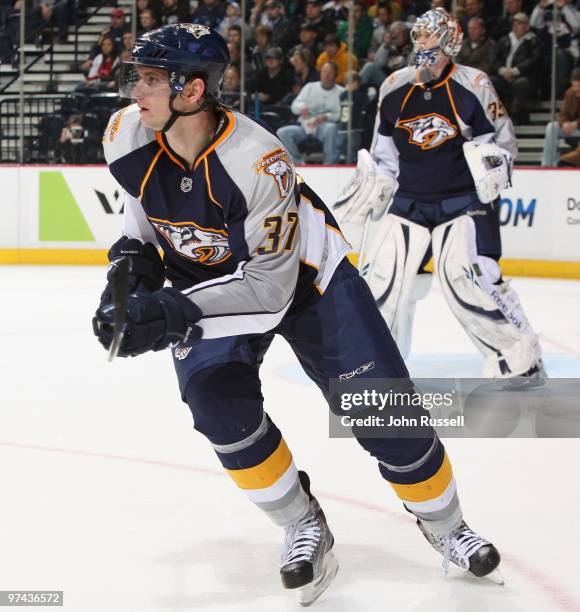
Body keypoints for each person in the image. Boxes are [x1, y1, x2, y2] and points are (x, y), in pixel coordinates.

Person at [93, 22, 501, 606]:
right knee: (218, 409)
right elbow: (142, 221)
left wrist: (169, 311)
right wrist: (125, 280)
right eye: (140, 78)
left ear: (193, 91)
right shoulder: (125, 133)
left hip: (308, 284)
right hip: (204, 279)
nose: (137, 91)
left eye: (153, 79)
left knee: (388, 413)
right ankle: (303, 525)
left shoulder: (257, 159)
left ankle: (448, 528)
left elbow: (269, 289)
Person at [333, 8, 545, 379]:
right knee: (382, 281)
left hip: (463, 202)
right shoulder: (394, 87)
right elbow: (385, 154)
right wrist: (374, 181)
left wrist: (493, 163)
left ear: (451, 42)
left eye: (432, 38)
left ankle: (520, 356)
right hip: (409, 200)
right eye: (419, 37)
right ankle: (382, 363)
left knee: (467, 279)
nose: (423, 45)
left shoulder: (474, 84)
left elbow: (502, 143)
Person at [277, 60, 344, 164]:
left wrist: (326, 116)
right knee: (282, 132)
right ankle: (298, 163)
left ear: (335, 74)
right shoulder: (310, 87)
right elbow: (294, 107)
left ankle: (329, 165)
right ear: (320, 73)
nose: (326, 75)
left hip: (324, 127)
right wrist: (301, 107)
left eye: (330, 72)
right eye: (324, 72)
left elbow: (340, 114)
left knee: (331, 128)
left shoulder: (341, 92)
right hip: (305, 125)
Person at [490, 12, 540, 124]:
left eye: (520, 24)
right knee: (490, 81)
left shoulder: (533, 41)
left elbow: (533, 60)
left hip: (522, 76)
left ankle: (514, 116)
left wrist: (515, 71)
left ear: (527, 26)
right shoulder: (504, 40)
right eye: (514, 24)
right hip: (503, 75)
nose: (516, 27)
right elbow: (494, 57)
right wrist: (501, 70)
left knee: (522, 84)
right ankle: (494, 116)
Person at [542, 67, 580, 167]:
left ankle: (569, 159)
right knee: (552, 127)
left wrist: (576, 124)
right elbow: (563, 114)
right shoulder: (569, 93)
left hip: (577, 126)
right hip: (571, 127)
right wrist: (565, 123)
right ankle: (548, 164)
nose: (576, 89)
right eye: (574, 86)